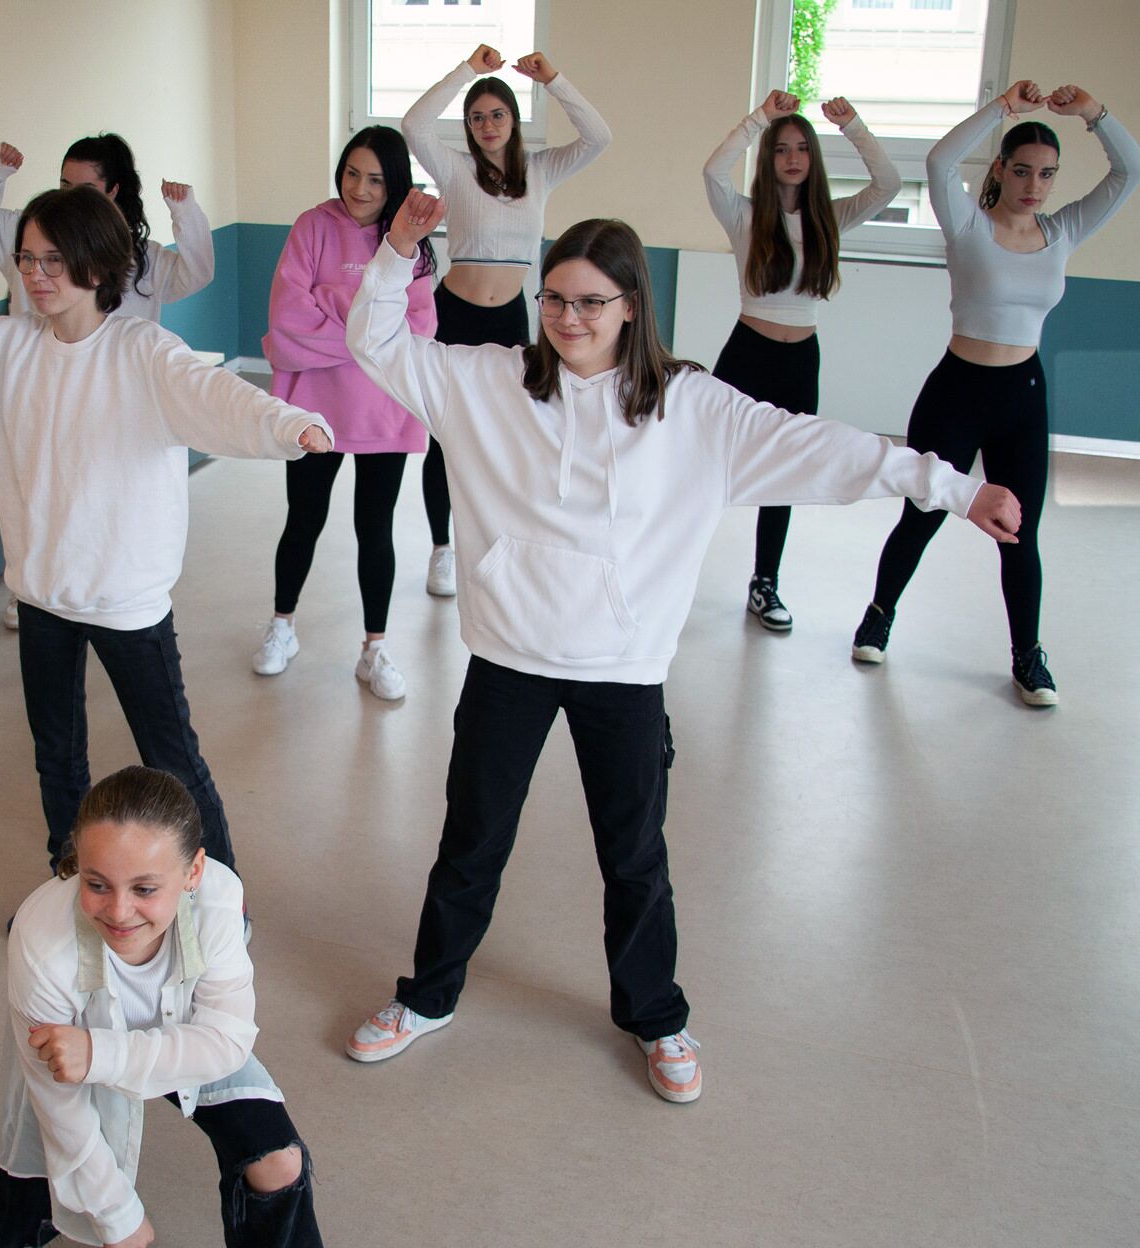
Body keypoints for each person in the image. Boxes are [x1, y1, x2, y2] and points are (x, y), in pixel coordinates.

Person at [341, 196, 1021, 1102]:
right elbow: (376, 344)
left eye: (590, 302)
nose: (568, 318)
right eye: (554, 299)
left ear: (631, 305)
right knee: (471, 840)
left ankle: (656, 1015)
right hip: (509, 657)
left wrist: (950, 486)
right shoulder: (487, 380)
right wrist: (394, 253)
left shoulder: (692, 408)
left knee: (633, 856)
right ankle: (427, 997)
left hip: (622, 672)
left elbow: (823, 448)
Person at [0, 182, 331, 875]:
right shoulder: (10, 346)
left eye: (53, 260)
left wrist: (288, 424)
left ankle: (220, 897)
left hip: (126, 600)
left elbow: (217, 396)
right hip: (42, 595)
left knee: (171, 758)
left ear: (95, 264)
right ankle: (72, 881)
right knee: (57, 757)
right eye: (27, 258)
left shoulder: (143, 351)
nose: (34, 274)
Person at [0, 766, 320, 1248]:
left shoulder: (219, 899)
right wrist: (121, 1220)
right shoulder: (41, 944)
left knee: (277, 1161)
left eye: (144, 888)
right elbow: (61, 1112)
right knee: (18, 1219)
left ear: (193, 873)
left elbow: (226, 1041)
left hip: (163, 1042)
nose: (118, 912)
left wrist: (100, 1054)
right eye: (96, 884)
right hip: (75, 1059)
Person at [853, 79, 1136, 706]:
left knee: (1019, 531)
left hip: (1022, 397)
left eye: (1047, 175)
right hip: (957, 390)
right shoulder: (968, 225)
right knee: (923, 512)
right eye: (1024, 171)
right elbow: (938, 162)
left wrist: (1093, 112)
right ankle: (878, 615)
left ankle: (1027, 656)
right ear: (1003, 171)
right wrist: (1002, 108)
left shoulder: (1062, 232)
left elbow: (1129, 171)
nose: (1035, 185)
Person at [0, 133, 216, 631]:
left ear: (114, 191)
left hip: (116, 403)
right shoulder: (29, 237)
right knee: (39, 491)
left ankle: (103, 591)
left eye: (86, 187)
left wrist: (186, 213)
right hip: (39, 391)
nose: (71, 196)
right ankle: (33, 588)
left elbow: (198, 272)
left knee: (100, 499)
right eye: (63, 184)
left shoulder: (139, 258)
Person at [402, 43, 610, 598]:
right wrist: (468, 70)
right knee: (444, 435)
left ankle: (502, 537)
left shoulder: (540, 170)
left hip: (512, 320)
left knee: (513, 431)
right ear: (468, 128)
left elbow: (599, 137)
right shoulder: (455, 169)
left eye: (497, 114)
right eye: (476, 117)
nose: (487, 125)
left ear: (513, 120)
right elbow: (414, 123)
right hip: (455, 316)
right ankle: (442, 549)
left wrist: (555, 79)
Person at [704, 90, 901, 631]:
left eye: (801, 149)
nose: (792, 157)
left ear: (813, 160)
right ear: (768, 160)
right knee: (703, 459)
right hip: (747, 353)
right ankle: (667, 553)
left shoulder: (829, 219)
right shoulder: (743, 215)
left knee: (783, 476)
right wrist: (759, 119)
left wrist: (854, 126)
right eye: (781, 149)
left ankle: (764, 582)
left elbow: (889, 185)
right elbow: (713, 170)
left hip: (799, 361)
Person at [252, 125, 437, 700]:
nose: (360, 188)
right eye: (352, 172)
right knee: (303, 518)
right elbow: (286, 321)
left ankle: (374, 649)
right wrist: (364, 331)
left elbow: (418, 329)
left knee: (374, 528)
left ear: (395, 184)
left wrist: (332, 309)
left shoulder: (411, 241)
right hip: (314, 408)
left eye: (376, 179)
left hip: (384, 410)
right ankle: (281, 626)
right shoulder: (312, 226)